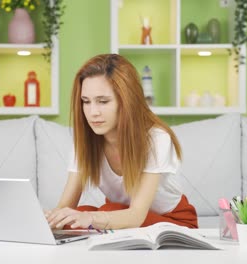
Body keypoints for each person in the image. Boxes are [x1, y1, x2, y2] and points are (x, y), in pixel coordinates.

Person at [45, 54, 198, 231]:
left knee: (101, 212)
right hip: (120, 214)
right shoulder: (85, 142)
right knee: (73, 216)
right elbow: (66, 206)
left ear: (127, 101)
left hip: (174, 220)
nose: (93, 112)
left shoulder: (156, 139)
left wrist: (90, 217)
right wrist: (48, 219)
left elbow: (136, 215)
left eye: (103, 101)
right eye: (86, 102)